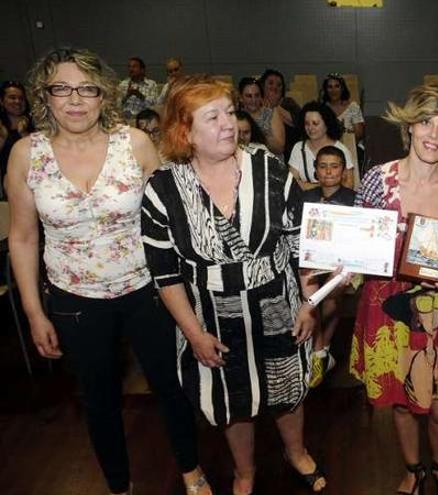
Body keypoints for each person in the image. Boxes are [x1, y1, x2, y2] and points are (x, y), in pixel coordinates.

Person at [6, 47, 210, 495]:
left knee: (170, 387)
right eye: (62, 88)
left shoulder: (134, 143)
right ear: (46, 95)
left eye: (87, 89)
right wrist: (34, 312)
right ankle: (119, 485)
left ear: (104, 95)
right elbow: (23, 238)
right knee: (98, 401)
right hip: (74, 300)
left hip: (147, 290)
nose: (75, 100)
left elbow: (172, 216)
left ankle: (192, 470)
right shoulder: (26, 154)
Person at [141, 74, 329, 495]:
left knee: (287, 388)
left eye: (229, 111)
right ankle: (245, 471)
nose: (228, 123)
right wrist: (193, 333)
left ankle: (296, 452)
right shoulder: (162, 190)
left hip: (277, 303)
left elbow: (301, 245)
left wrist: (308, 302)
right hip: (210, 316)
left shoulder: (271, 171)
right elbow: (165, 273)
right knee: (232, 399)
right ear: (183, 130)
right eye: (213, 117)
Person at [350, 84, 438, 495]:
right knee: (400, 402)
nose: (433, 134)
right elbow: (357, 244)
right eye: (426, 122)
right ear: (409, 125)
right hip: (386, 304)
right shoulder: (377, 179)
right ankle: (413, 469)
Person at [300, 146, 356, 388]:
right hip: (310, 262)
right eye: (323, 166)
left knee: (332, 296)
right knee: (311, 297)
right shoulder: (305, 197)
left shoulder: (354, 199)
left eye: (334, 166)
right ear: (315, 171)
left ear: (343, 171)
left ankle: (320, 351)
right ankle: (320, 353)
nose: (328, 171)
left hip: (343, 262)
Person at [288, 101, 355, 190]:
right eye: (307, 124)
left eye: (315, 123)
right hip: (306, 201)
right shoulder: (298, 148)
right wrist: (323, 187)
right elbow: (291, 183)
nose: (310, 128)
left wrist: (307, 186)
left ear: (327, 124)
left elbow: (348, 184)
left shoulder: (341, 149)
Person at [259, 69, 302, 161]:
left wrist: (274, 105)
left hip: (289, 151)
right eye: (270, 83)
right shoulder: (256, 104)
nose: (274, 87)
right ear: (262, 86)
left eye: (279, 85)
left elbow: (298, 122)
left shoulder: (288, 102)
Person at [237, 76, 285, 156]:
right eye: (249, 96)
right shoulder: (236, 116)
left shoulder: (270, 114)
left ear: (261, 97)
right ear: (241, 98)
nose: (253, 100)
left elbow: (279, 149)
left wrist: (263, 133)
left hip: (270, 162)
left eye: (257, 95)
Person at [0, 80, 34, 193]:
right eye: (12, 97)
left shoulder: (35, 125)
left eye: (21, 98)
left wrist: (23, 133)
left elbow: (40, 156)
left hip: (32, 185)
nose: (17, 101)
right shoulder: (2, 128)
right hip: (6, 188)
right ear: (2, 101)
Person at [321, 73, 365, 142]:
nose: (333, 90)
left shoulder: (353, 107)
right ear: (326, 90)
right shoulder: (321, 108)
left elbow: (359, 134)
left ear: (342, 88)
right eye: (330, 87)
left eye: (337, 86)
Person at [117, 56, 159, 121]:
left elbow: (154, 106)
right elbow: (117, 105)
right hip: (125, 119)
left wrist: (139, 95)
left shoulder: (151, 84)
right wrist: (127, 95)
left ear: (142, 70)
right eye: (129, 67)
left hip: (142, 119)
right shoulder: (123, 84)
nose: (131, 69)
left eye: (134, 67)